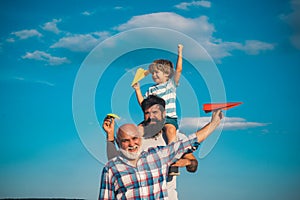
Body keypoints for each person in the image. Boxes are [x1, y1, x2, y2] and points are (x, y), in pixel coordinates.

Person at [99, 109, 223, 199]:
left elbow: (190, 141)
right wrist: (110, 135)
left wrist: (214, 123)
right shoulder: (110, 168)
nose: (132, 144)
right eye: (126, 141)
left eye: (135, 139)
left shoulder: (158, 155)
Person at [103, 95, 198, 199]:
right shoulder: (137, 140)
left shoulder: (175, 137)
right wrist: (110, 135)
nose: (151, 116)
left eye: (155, 112)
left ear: (164, 113)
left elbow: (193, 165)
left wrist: (186, 162)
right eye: (147, 113)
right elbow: (116, 163)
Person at [133, 44, 183, 175]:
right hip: (153, 119)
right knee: (137, 130)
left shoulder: (171, 85)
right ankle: (133, 158)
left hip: (168, 118)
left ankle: (172, 160)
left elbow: (179, 69)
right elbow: (144, 105)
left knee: (170, 130)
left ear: (167, 73)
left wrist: (180, 52)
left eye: (157, 72)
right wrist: (138, 90)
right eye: (153, 72)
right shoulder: (151, 90)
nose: (154, 75)